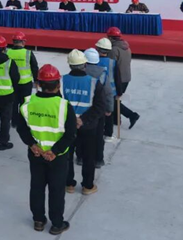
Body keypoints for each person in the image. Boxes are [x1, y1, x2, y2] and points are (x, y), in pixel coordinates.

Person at [17, 65, 76, 234]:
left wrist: (32, 145)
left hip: (36, 154)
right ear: (58, 85)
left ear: (38, 84)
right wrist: (55, 151)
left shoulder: (27, 103)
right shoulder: (64, 106)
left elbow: (21, 128)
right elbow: (71, 134)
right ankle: (57, 224)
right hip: (57, 157)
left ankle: (38, 220)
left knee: (37, 186)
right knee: (56, 190)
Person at [61, 50, 107, 195]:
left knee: (67, 156)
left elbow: (57, 104)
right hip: (88, 126)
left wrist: (73, 120)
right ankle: (88, 186)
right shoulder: (94, 82)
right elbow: (100, 107)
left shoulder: (61, 81)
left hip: (67, 126)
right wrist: (83, 120)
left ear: (70, 65)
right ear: (85, 65)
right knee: (88, 157)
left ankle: (69, 184)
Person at [84, 47, 113, 168]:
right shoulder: (103, 73)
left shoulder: (82, 72)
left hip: (84, 108)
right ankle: (98, 159)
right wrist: (109, 108)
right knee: (99, 135)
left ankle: (81, 157)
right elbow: (108, 92)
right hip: (99, 108)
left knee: (82, 136)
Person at [107, 27, 140, 129]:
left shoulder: (113, 50)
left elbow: (111, 66)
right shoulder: (127, 48)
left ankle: (131, 115)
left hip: (118, 78)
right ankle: (116, 120)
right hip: (126, 77)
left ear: (110, 38)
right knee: (117, 100)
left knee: (112, 101)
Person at [7, 32, 38, 128]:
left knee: (13, 103)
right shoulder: (28, 53)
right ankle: (22, 122)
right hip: (26, 83)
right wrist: (36, 81)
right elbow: (34, 68)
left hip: (12, 83)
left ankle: (14, 122)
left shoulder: (8, 53)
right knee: (24, 104)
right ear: (23, 42)